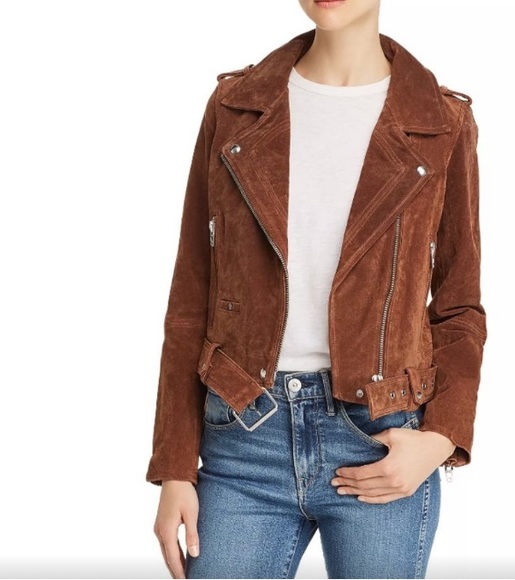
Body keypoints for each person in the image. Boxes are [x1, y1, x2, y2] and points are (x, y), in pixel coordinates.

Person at [145, 0, 486, 578]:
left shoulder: (441, 121)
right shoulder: (235, 107)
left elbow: (458, 306)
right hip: (242, 436)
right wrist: (175, 464)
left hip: (380, 438)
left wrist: (441, 438)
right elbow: (190, 298)